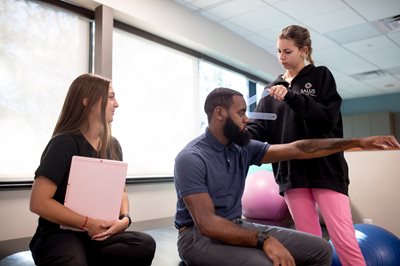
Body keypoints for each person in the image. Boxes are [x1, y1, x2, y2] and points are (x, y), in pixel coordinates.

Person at [174, 87, 400, 266]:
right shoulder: (191, 157)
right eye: (241, 113)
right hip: (196, 237)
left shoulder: (241, 148)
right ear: (220, 113)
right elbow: (207, 224)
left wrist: (357, 142)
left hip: (237, 225)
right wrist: (264, 239)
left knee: (320, 249)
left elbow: (300, 148)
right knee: (268, 263)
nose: (247, 120)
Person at [246, 24, 376, 266]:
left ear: (303, 50)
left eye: (288, 52)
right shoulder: (271, 90)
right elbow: (259, 129)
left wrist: (291, 96)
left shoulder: (321, 77)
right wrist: (238, 133)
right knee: (309, 244)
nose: (282, 58)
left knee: (344, 240)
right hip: (292, 174)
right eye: (278, 52)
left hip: (326, 170)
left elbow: (326, 120)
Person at [29, 73, 156, 266]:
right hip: (58, 235)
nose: (117, 103)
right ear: (87, 103)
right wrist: (88, 223)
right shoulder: (63, 143)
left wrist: (125, 219)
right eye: (111, 97)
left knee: (144, 244)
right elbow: (38, 203)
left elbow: (120, 192)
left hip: (95, 235)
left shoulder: (113, 146)